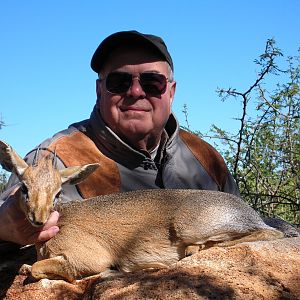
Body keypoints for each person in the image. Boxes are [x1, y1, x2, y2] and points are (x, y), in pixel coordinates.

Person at [0, 30, 240, 250]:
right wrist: (4, 229)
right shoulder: (53, 159)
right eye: (119, 82)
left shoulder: (205, 159)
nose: (136, 92)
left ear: (171, 92)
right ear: (99, 90)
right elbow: (11, 221)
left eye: (152, 82)